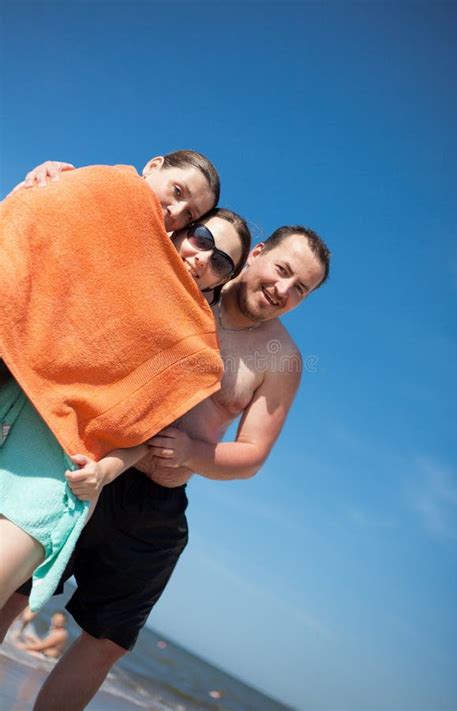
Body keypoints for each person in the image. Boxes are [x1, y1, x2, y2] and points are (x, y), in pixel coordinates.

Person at [1, 216, 331, 711]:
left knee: (108, 639)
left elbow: (252, 456)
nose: (283, 289)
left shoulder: (281, 358)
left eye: (300, 288)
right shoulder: (191, 282)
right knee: (15, 588)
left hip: (155, 503)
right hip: (89, 462)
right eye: (282, 269)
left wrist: (192, 453)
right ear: (258, 252)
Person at [0, 154, 251, 612]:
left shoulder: (195, 346)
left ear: (225, 279)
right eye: (200, 235)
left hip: (60, 468)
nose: (200, 253)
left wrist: (102, 475)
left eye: (219, 260)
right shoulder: (97, 209)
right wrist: (43, 183)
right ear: (153, 167)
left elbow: (145, 433)